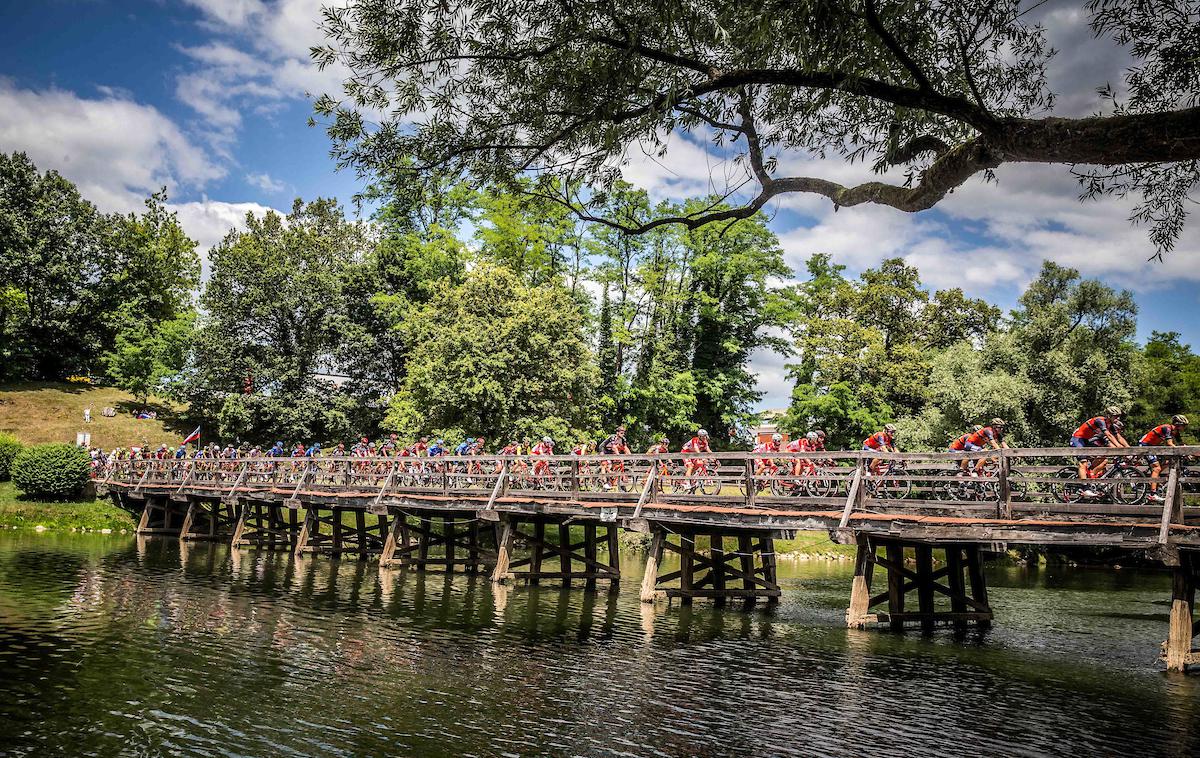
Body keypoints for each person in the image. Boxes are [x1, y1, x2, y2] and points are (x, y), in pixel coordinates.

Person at [1070, 407, 1124, 495]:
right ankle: (1084, 488)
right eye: (1116, 416)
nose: (1118, 418)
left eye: (1119, 416)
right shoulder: (1100, 421)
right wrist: (1119, 447)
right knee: (1083, 462)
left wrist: (1129, 449)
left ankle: (1090, 474)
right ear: (1109, 415)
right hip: (1077, 439)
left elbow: (1119, 437)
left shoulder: (1110, 425)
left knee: (1104, 458)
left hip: (1087, 441)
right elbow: (1109, 435)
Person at [1140, 415, 1189, 503]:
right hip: (1145, 446)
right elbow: (1170, 443)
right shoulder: (1167, 428)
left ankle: (1155, 479)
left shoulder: (1175, 432)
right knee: (1157, 468)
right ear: (1178, 424)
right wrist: (1182, 452)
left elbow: (1181, 444)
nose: (1185, 427)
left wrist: (1188, 452)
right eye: (1184, 425)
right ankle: (1152, 494)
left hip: (1154, 447)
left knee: (1168, 462)